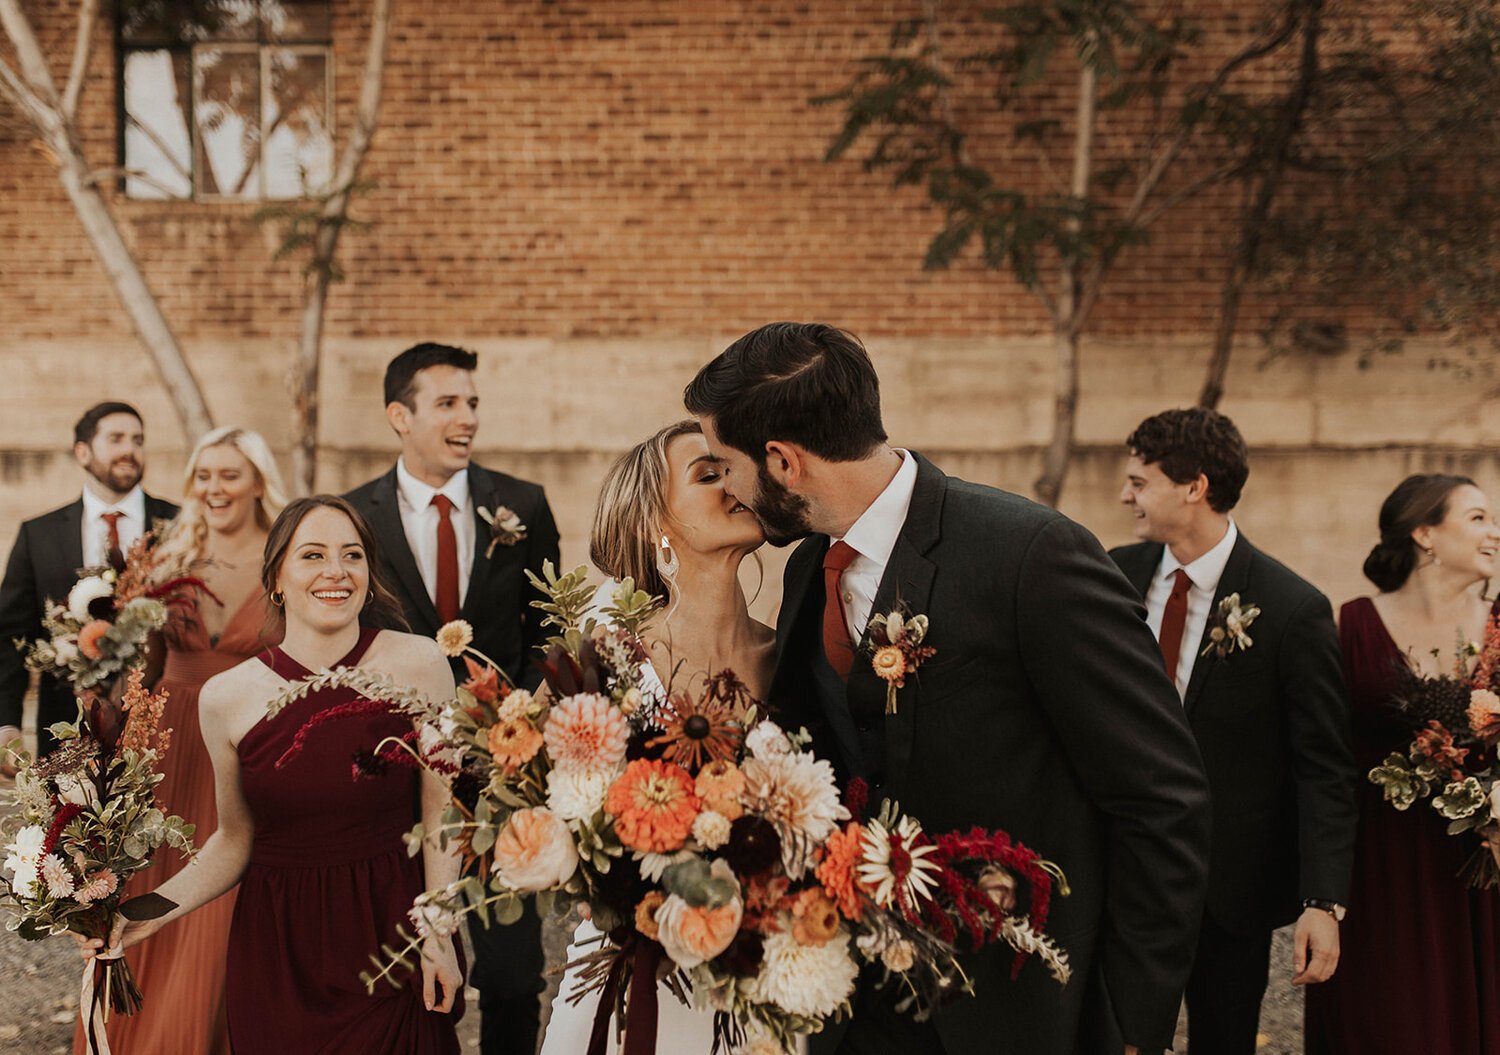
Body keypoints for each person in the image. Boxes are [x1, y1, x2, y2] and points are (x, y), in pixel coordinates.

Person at [683, 322, 1212, 1055]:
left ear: (782, 460)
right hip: (858, 1000)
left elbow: (1162, 797)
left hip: (1019, 1006)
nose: (733, 491)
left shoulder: (1031, 555)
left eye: (725, 465)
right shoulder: (809, 571)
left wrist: (1129, 1020)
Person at [77, 496, 465, 1053]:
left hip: (394, 941)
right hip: (278, 955)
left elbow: (442, 812)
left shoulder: (422, 664)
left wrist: (440, 932)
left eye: (351, 555)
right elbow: (235, 839)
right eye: (313, 555)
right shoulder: (226, 698)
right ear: (277, 579)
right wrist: (141, 914)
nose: (336, 571)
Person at [1108, 408, 1357, 1055]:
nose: (1124, 494)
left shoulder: (1292, 607)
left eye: (1140, 481)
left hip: (1231, 887)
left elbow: (1323, 766)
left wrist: (1323, 900)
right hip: (1120, 870)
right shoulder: (1112, 575)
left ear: (1195, 487)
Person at [344, 342, 560, 1055]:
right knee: (398, 957)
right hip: (395, 773)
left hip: (504, 770)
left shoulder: (522, 504)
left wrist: (520, 714)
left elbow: (549, 628)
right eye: (448, 403)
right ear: (399, 416)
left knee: (510, 973)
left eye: (472, 403)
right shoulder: (354, 518)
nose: (467, 417)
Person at [539, 419, 775, 1055]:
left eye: (734, 466)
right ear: (656, 526)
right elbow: (531, 800)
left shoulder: (796, 660)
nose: (735, 485)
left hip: (763, 976)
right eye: (708, 475)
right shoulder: (606, 664)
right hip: (633, 975)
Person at [74, 426, 287, 1054]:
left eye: (229, 474)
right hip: (166, 757)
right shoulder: (168, 559)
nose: (214, 488)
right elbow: (141, 670)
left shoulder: (288, 558)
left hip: (251, 749)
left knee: (224, 915)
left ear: (257, 482)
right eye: (204, 475)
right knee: (150, 901)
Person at [1305, 474, 1500, 1054]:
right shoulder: (1351, 626)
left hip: (1482, 866)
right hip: (1381, 867)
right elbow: (1322, 758)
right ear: (1425, 534)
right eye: (1478, 518)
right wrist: (1319, 895)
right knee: (1389, 1021)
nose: (1494, 532)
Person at [0, 401, 178, 772]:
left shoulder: (177, 525)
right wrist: (6, 724)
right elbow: (10, 636)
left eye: (137, 440)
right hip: (64, 730)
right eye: (116, 439)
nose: (129, 450)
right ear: (83, 452)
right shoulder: (39, 535)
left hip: (164, 727)